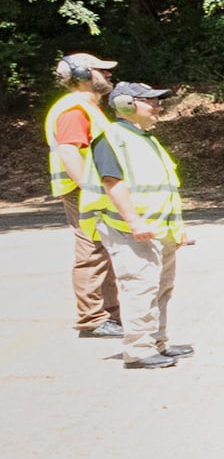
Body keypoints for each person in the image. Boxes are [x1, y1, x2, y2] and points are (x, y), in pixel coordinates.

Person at [89, 83, 191, 369]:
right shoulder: (112, 137)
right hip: (129, 228)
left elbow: (165, 189)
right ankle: (138, 349)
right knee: (140, 287)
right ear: (126, 105)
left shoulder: (145, 138)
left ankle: (157, 342)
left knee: (160, 288)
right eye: (151, 101)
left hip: (159, 229)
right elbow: (112, 182)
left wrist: (178, 228)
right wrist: (133, 220)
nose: (158, 106)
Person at [45, 52, 126, 339]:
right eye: (101, 70)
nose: (108, 75)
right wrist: (89, 188)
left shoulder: (87, 107)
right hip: (83, 191)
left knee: (101, 249)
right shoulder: (75, 109)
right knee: (91, 251)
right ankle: (92, 319)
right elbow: (69, 150)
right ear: (82, 75)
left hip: (90, 190)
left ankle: (109, 315)